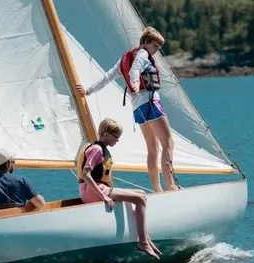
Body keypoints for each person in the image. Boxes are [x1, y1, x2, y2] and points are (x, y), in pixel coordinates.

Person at [75, 27, 179, 194]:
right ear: (146, 42)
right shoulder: (143, 54)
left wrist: (88, 91)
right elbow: (135, 70)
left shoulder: (125, 57)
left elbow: (108, 76)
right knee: (168, 143)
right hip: (150, 102)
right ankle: (170, 185)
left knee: (152, 148)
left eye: (159, 47)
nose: (156, 50)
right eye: (155, 46)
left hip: (138, 107)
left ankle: (157, 189)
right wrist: (136, 82)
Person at [76, 117, 160, 259]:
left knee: (141, 193)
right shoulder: (97, 149)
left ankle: (145, 236)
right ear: (105, 134)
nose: (117, 140)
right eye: (115, 137)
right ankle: (143, 242)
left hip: (96, 188)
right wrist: (104, 196)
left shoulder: (101, 149)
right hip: (92, 190)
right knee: (140, 199)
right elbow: (85, 174)